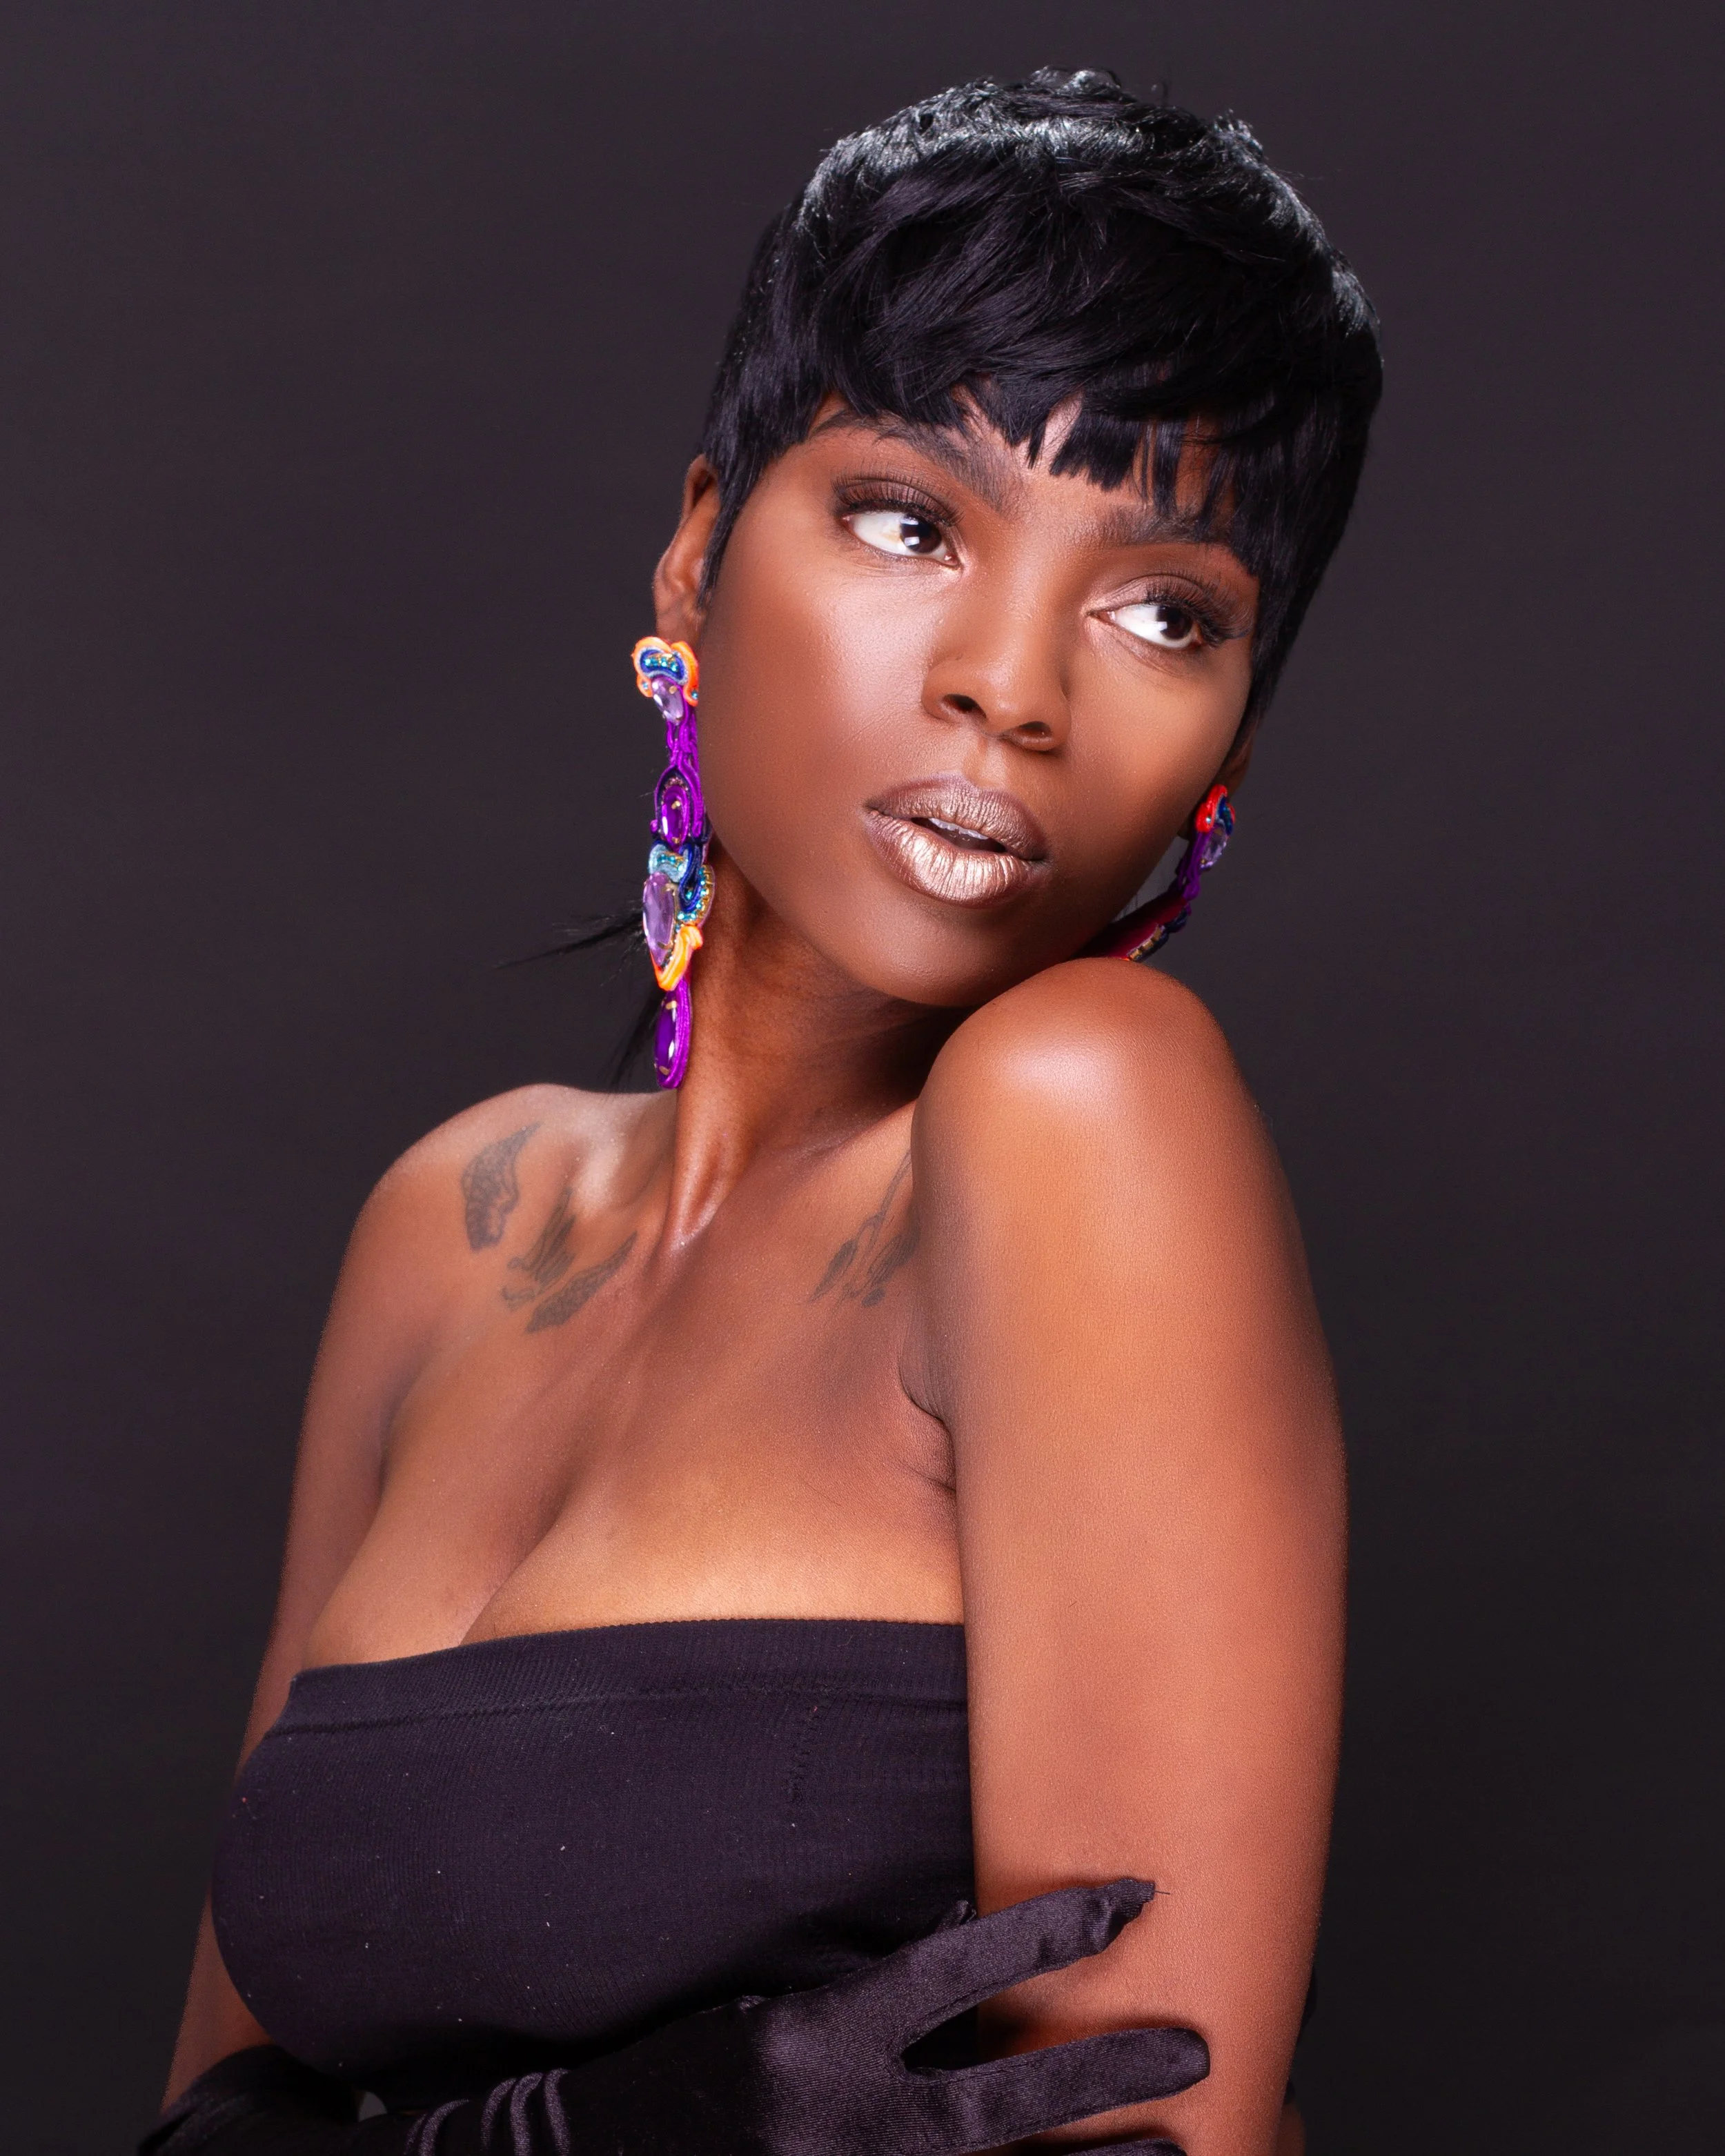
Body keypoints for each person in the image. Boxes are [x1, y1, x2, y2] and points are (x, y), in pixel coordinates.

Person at [153, 67, 1381, 2156]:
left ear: (1226, 736)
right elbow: (205, 2111)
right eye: (910, 518)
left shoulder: (1079, 1116)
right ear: (701, 549)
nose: (1012, 682)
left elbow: (1138, 2129)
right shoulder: (453, 1223)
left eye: (1162, 605)